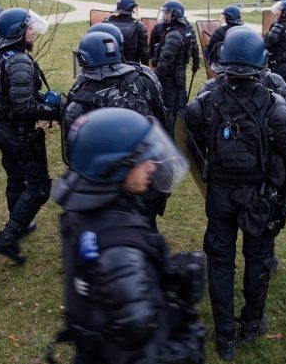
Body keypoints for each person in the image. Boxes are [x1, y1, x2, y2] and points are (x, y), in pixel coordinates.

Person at [185, 28, 286, 360]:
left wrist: (207, 173)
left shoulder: (206, 101)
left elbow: (185, 139)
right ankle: (251, 324)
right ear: (260, 63)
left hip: (221, 194)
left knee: (220, 262)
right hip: (260, 197)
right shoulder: (275, 106)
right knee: (258, 260)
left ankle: (225, 336)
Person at [52, 108, 204, 364]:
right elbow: (140, 354)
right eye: (141, 159)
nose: (152, 166)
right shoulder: (120, 254)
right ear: (113, 167)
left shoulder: (84, 209)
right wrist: (189, 328)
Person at [63, 30, 168, 228]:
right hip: (145, 171)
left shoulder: (80, 97)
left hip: (105, 183)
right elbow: (161, 120)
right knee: (145, 226)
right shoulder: (144, 77)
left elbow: (74, 154)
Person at [0, 8, 59, 263]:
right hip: (19, 133)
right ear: (18, 32)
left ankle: (20, 221)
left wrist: (44, 102)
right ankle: (8, 236)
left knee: (16, 178)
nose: (32, 33)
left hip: (1, 127)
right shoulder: (19, 61)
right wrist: (55, 112)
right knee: (39, 187)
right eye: (29, 28)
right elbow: (24, 107)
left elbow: (10, 96)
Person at [151, 0, 199, 134]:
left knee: (168, 109)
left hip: (169, 79)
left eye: (167, 13)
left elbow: (165, 61)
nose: (164, 15)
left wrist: (155, 79)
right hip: (180, 75)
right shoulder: (187, 28)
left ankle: (170, 138)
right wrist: (195, 64)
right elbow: (195, 48)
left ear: (175, 15)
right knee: (180, 107)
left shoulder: (174, 34)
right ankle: (182, 135)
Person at [103, 0, 150, 64]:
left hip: (110, 65)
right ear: (132, 8)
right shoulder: (139, 26)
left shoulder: (106, 23)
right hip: (131, 67)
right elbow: (144, 53)